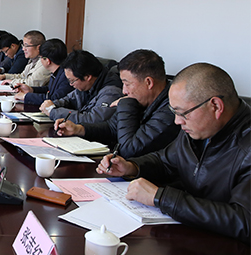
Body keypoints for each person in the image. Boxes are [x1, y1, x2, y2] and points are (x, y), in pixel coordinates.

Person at [96, 63, 250, 242]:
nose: (177, 121)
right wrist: (131, 167)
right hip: (189, 235)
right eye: (174, 112)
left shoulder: (246, 146)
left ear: (215, 106)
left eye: (182, 113)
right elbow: (165, 160)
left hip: (226, 250)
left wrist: (162, 198)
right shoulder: (197, 129)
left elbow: (244, 221)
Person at [55, 49, 179, 158]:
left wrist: (126, 105)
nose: (124, 91)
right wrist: (79, 129)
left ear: (148, 83)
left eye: (127, 84)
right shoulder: (142, 99)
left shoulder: (171, 110)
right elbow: (111, 127)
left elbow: (130, 150)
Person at [40, 49, 122, 124]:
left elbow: (93, 120)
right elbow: (69, 99)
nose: (70, 84)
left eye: (72, 81)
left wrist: (54, 112)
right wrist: (52, 105)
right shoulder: (86, 85)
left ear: (87, 77)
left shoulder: (111, 92)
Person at [13, 38, 73, 105]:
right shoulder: (57, 72)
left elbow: (54, 99)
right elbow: (49, 90)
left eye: (40, 57)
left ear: (47, 60)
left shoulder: (66, 75)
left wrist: (26, 97)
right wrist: (31, 90)